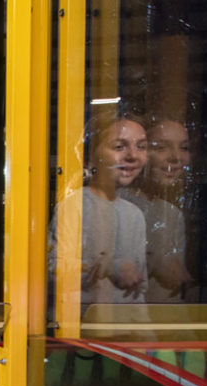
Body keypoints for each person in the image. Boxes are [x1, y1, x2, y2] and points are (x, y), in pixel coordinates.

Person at [52, 112, 149, 306]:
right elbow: (53, 269)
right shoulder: (75, 206)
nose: (132, 155)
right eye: (119, 147)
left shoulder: (134, 214)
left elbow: (140, 288)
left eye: (141, 146)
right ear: (91, 157)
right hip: (82, 327)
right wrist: (108, 266)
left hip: (127, 329)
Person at [120, 117, 193, 302]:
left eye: (184, 147)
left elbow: (175, 282)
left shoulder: (172, 213)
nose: (175, 157)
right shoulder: (116, 205)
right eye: (161, 147)